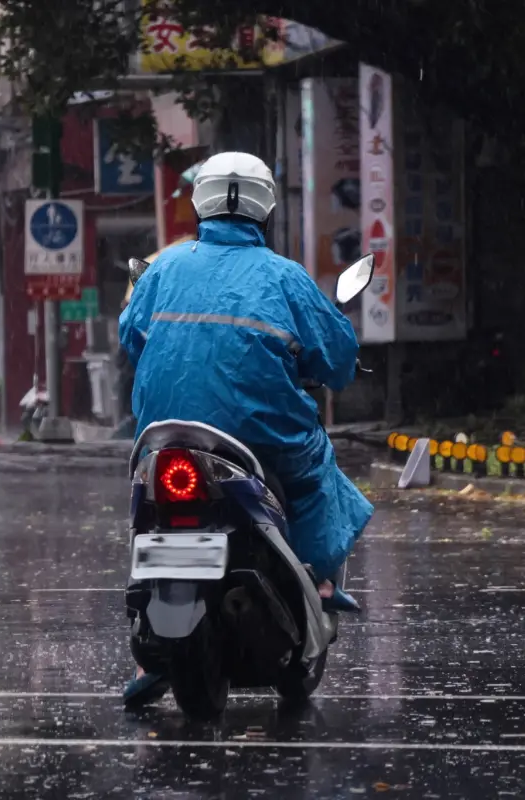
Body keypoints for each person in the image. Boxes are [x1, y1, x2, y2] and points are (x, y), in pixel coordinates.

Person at [118, 152, 374, 706]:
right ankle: (321, 581)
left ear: (201, 202)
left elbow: (131, 338)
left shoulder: (162, 268)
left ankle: (145, 655)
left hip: (162, 436)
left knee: (145, 508)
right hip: (261, 441)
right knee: (315, 477)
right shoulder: (285, 278)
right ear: (266, 208)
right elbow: (336, 360)